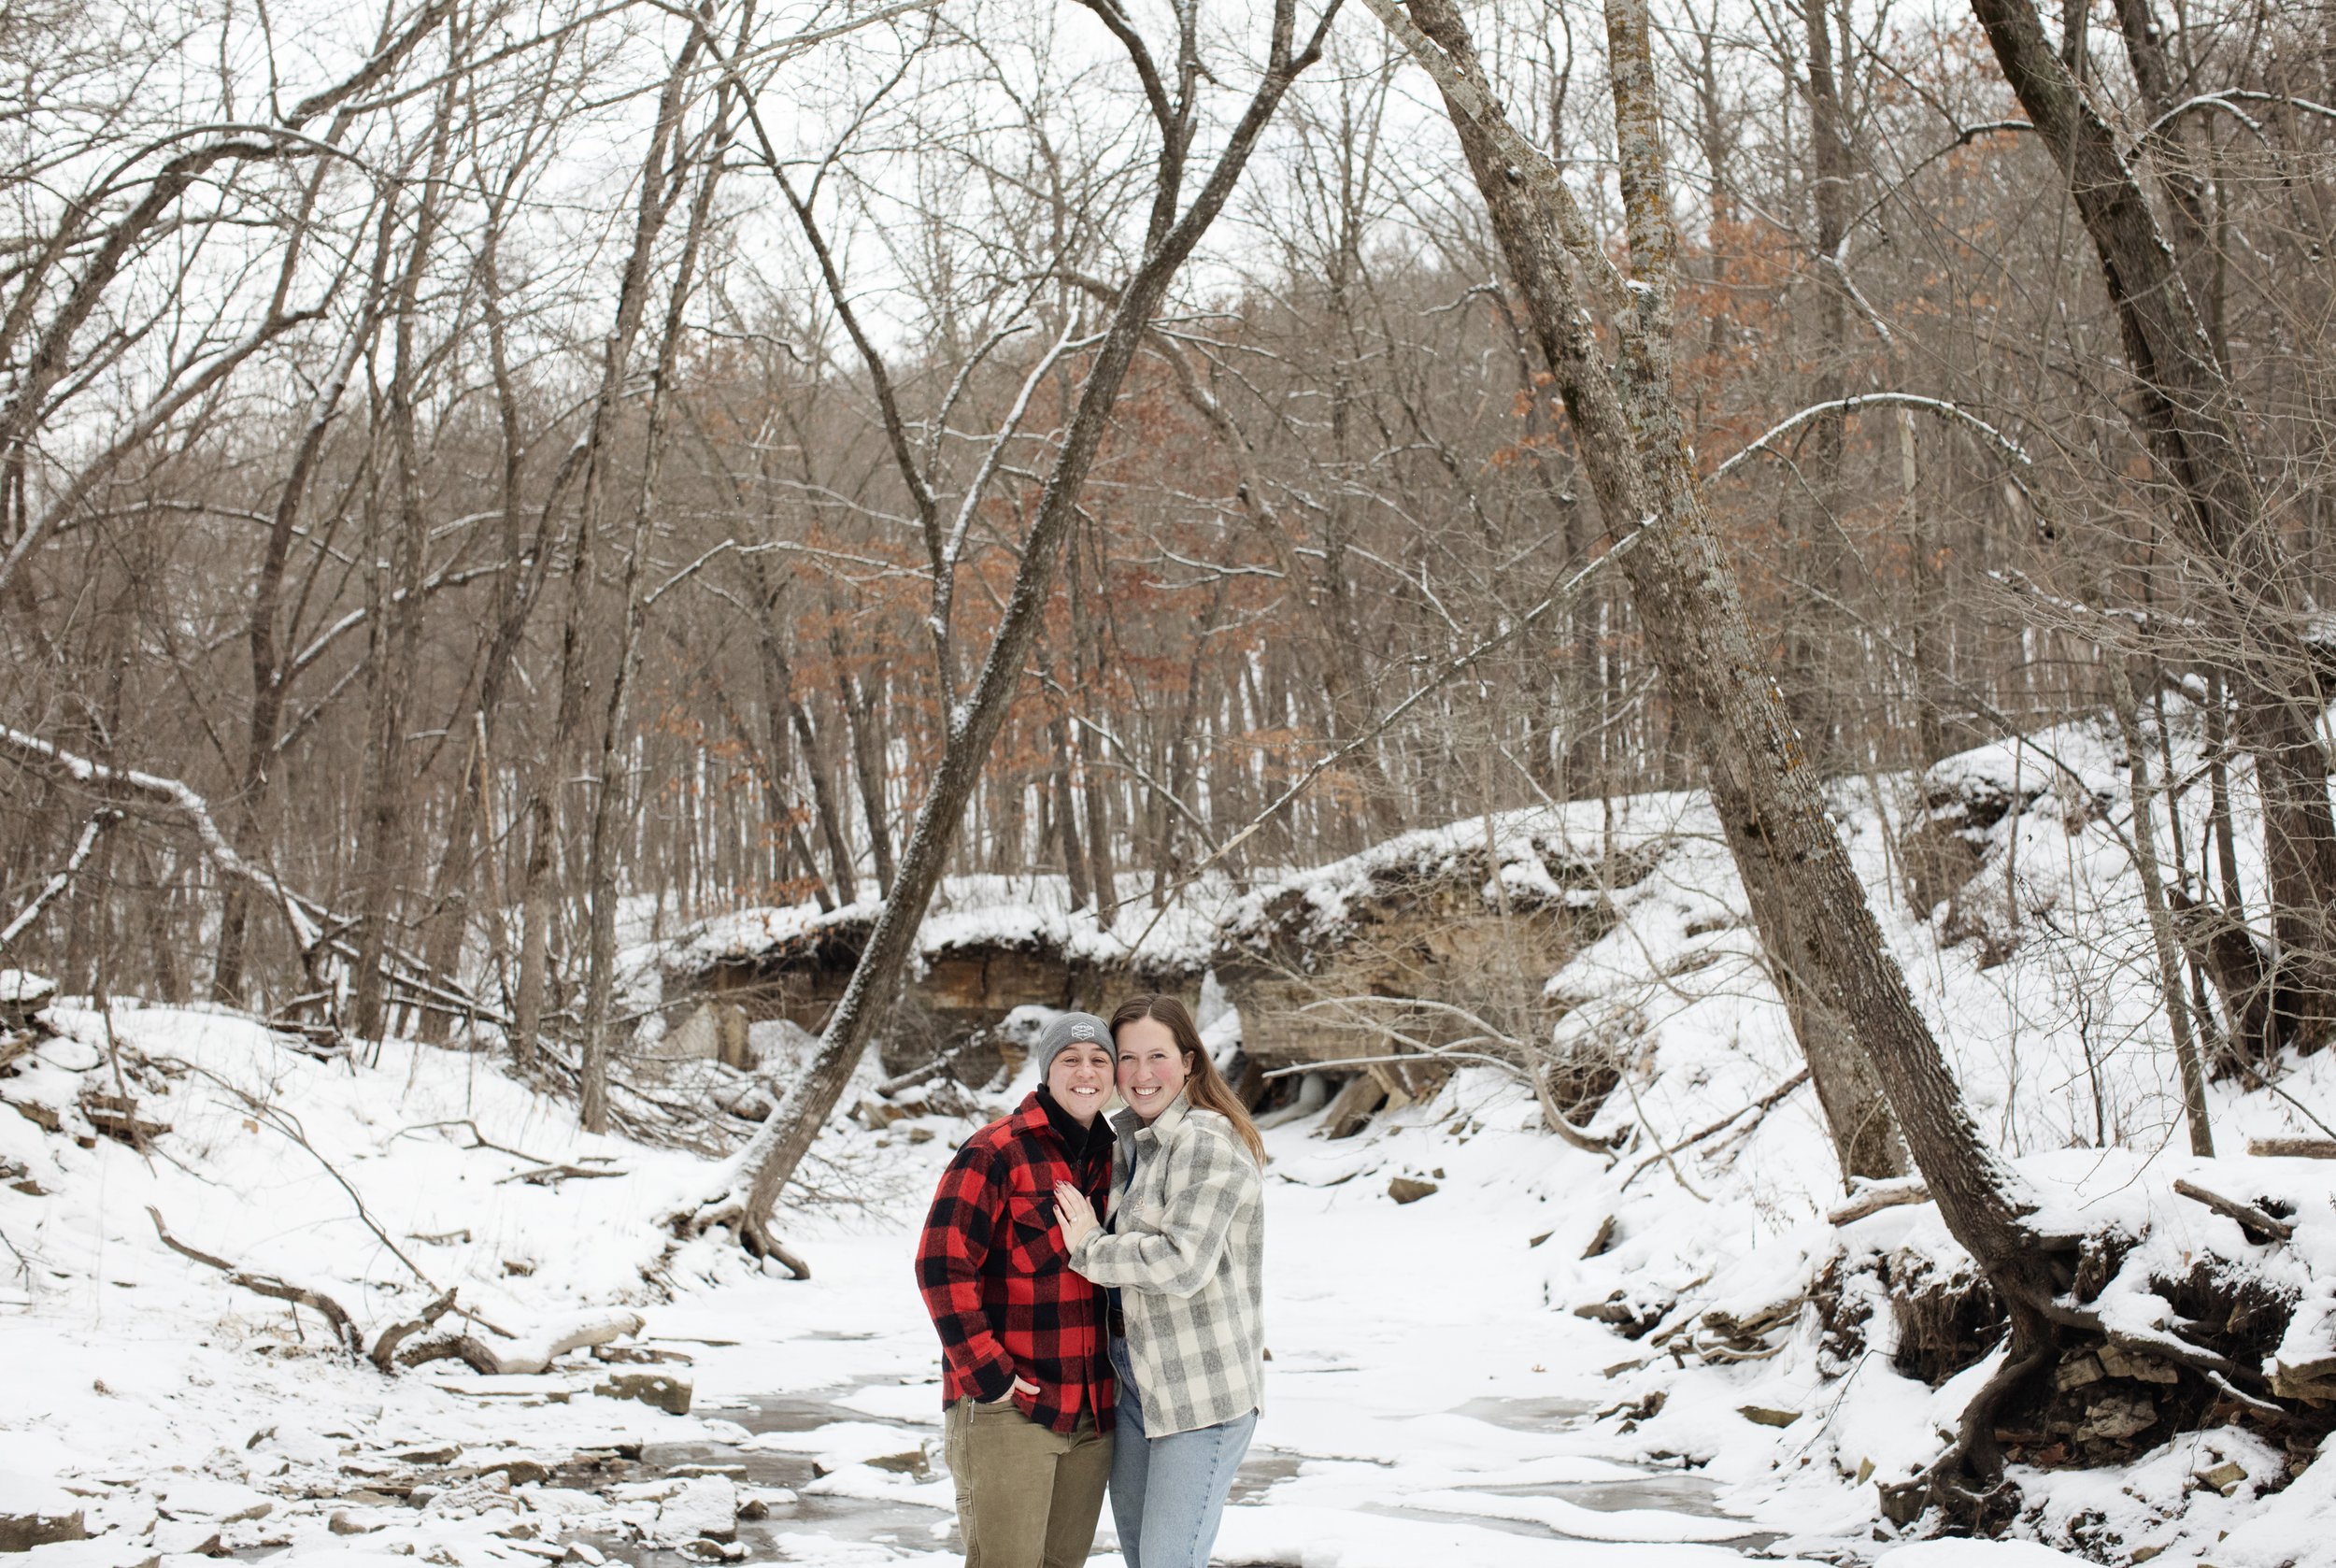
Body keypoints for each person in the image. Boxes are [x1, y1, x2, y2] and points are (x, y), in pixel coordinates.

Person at [1052, 994, 1266, 1568]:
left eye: (1158, 1056)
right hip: (1132, 1382)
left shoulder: (1204, 1141)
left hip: (1200, 1392)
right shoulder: (1130, 1141)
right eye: (1127, 1058)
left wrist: (1091, 1249)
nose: (1142, 1075)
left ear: (1190, 1062)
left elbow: (1182, 1263)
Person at [915, 1011, 1118, 1568]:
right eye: (1070, 1060)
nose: (1086, 1072)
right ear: (1046, 1071)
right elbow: (940, 1264)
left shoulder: (1115, 1157)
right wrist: (990, 1379)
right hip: (1012, 1410)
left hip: (1093, 1414)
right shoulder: (994, 1151)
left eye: (1100, 1059)